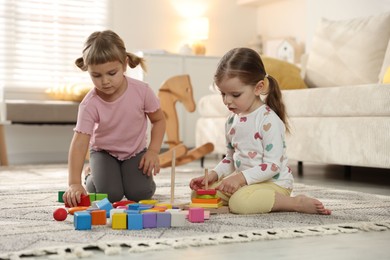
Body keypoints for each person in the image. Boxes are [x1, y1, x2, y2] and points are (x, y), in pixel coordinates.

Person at [189, 47, 331, 215]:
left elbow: (273, 166)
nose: (227, 101)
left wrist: (240, 178)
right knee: (198, 194)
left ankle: (295, 202)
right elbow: (230, 158)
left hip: (274, 184)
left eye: (235, 94)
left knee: (240, 203)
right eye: (223, 94)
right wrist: (214, 175)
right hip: (247, 184)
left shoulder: (268, 120)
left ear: (258, 88)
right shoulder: (231, 120)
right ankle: (238, 202)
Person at [63, 30, 166, 208]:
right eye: (96, 76)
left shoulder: (142, 91)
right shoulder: (89, 104)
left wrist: (153, 151)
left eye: (111, 73)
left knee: (141, 194)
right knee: (109, 196)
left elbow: (159, 120)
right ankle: (91, 175)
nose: (105, 82)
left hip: (135, 152)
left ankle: (128, 179)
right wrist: (74, 183)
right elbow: (79, 143)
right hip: (104, 153)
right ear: (88, 71)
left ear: (124, 64)